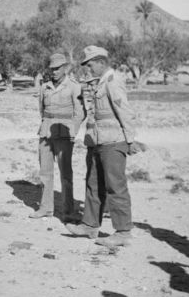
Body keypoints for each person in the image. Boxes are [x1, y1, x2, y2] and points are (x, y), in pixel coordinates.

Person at [67, 45, 138, 247]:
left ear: (101, 62)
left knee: (115, 186)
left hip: (113, 141)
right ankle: (90, 225)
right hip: (97, 141)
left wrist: (130, 140)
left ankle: (123, 232)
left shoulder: (113, 81)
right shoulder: (100, 82)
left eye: (90, 65)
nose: (88, 69)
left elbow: (124, 111)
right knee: (93, 184)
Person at [30, 53, 83, 222]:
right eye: (51, 69)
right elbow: (41, 110)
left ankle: (68, 211)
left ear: (65, 68)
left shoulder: (74, 87)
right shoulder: (44, 87)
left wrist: (72, 131)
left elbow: (80, 112)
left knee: (65, 174)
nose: (54, 72)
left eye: (57, 68)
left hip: (64, 133)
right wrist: (46, 124)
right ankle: (46, 208)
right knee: (45, 172)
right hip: (46, 132)